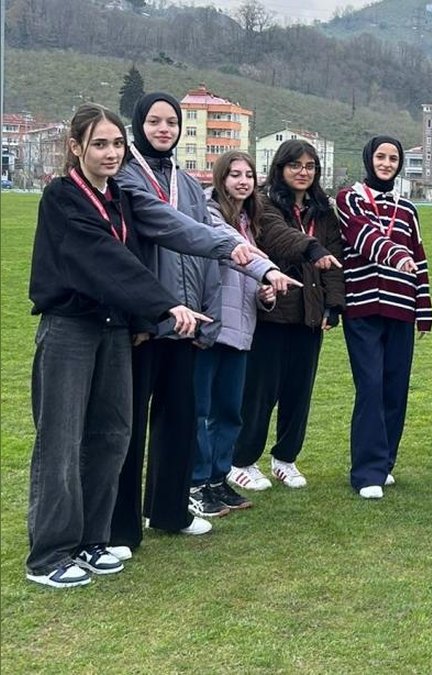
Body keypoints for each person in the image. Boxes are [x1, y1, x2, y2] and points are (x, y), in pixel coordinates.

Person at [26, 104, 208, 588]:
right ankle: (49, 555)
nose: (110, 153)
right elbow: (106, 261)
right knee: (61, 441)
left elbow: (141, 251)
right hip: (70, 329)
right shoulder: (63, 198)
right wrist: (166, 305)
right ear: (76, 146)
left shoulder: (118, 199)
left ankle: (91, 538)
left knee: (111, 436)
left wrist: (140, 316)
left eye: (116, 144)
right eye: (100, 144)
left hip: (113, 330)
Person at [110, 92, 267, 552]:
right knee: (132, 426)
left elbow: (213, 238)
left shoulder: (183, 180)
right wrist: (227, 245)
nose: (164, 129)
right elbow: (167, 226)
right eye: (155, 121)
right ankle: (123, 526)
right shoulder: (125, 178)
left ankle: (171, 510)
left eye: (171, 122)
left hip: (185, 322)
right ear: (138, 125)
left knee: (179, 420)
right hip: (144, 321)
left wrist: (254, 271)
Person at [229, 140, 345, 491]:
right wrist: (312, 248)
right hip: (273, 312)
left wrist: (334, 305)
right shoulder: (263, 203)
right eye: (295, 165)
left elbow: (336, 258)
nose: (303, 172)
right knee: (261, 392)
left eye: (310, 166)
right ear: (280, 168)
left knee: (299, 391)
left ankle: (286, 459)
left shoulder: (322, 210)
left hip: (310, 316)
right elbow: (278, 237)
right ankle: (242, 460)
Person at [191, 151, 303, 514]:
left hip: (240, 330)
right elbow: (235, 251)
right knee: (201, 409)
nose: (242, 181)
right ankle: (195, 482)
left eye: (248, 175)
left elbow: (249, 283)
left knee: (229, 410)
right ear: (220, 178)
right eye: (234, 174)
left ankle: (218, 479)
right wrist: (269, 271)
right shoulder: (208, 214)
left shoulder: (247, 221)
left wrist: (265, 295)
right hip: (210, 327)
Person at [336, 136, 432, 499]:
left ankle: (385, 462)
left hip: (401, 308)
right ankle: (366, 472)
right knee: (371, 386)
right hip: (362, 308)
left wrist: (423, 310)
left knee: (395, 388)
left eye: (393, 158)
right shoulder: (351, 198)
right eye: (381, 156)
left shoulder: (407, 209)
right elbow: (364, 236)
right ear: (368, 158)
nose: (387, 163)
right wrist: (395, 256)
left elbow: (419, 258)